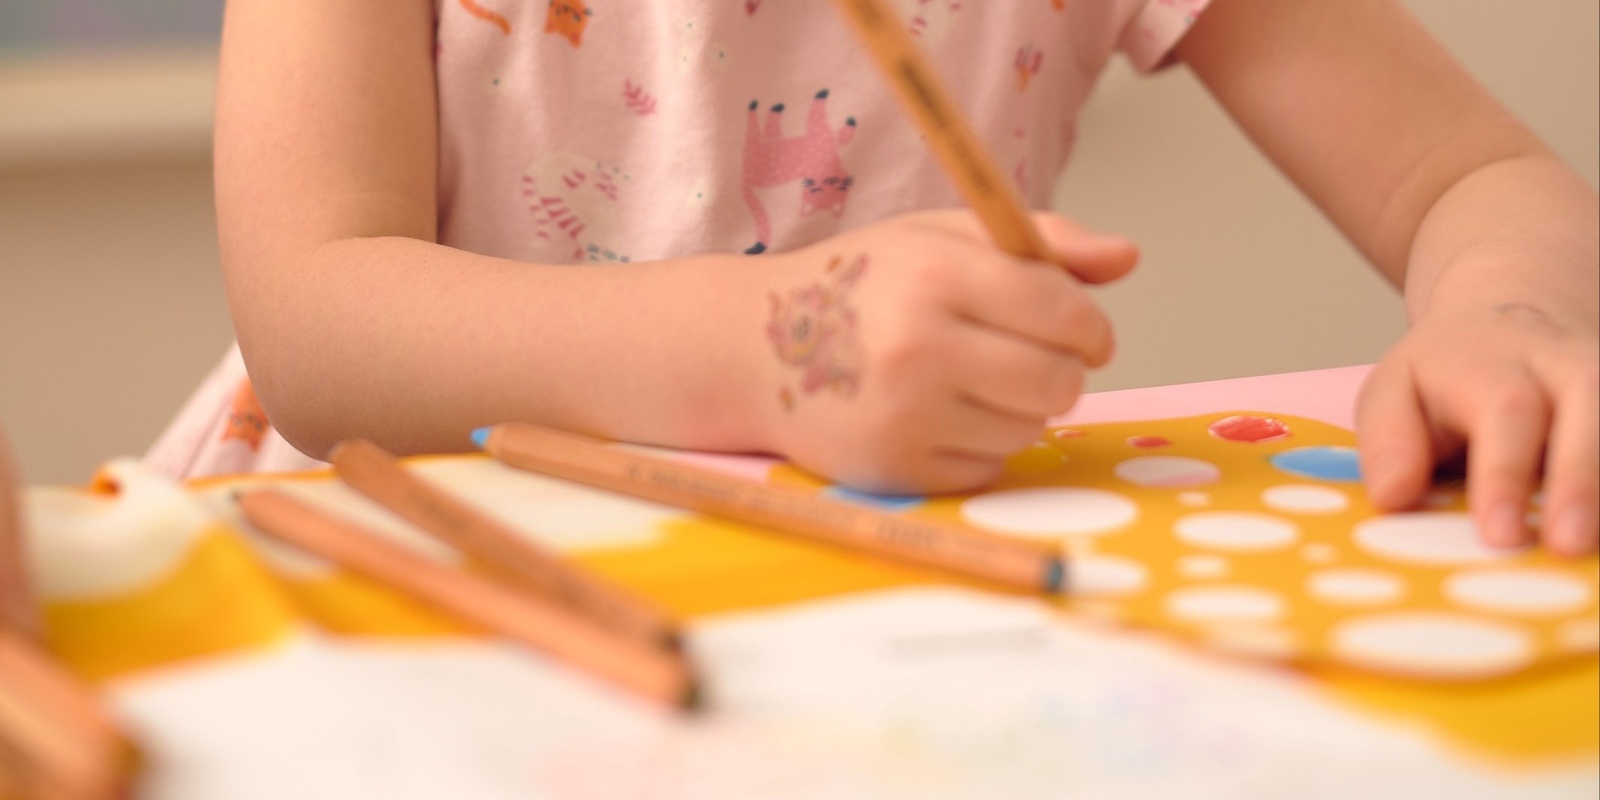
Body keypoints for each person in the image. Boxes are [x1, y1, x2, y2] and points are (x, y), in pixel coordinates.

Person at [147, 0, 1597, 555]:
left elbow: (1464, 177)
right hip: (401, 571)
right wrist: (771, 351)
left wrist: (1503, 315)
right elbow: (314, 321)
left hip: (874, 596)